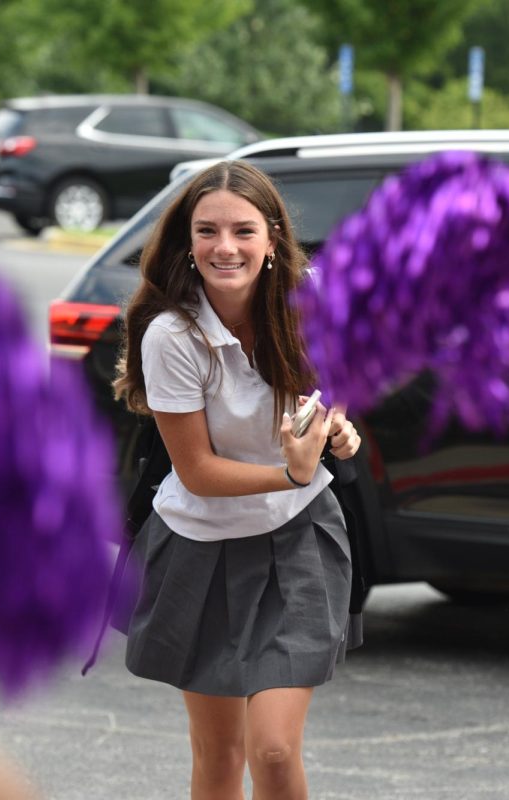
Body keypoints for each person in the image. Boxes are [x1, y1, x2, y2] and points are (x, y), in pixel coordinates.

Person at [113, 160, 362, 800]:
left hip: (297, 539)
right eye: (208, 231)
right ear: (187, 243)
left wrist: (336, 429)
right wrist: (289, 470)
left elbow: (323, 402)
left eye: (244, 231)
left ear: (273, 239)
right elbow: (195, 472)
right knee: (220, 757)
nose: (225, 247)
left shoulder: (307, 308)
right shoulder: (171, 334)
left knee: (273, 750)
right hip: (200, 547)